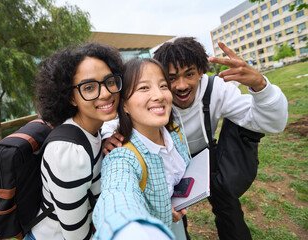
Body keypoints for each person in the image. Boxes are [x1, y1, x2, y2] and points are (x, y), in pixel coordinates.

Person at [102, 37, 288, 240]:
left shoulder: (216, 89)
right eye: (170, 79)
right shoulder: (157, 103)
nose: (181, 86)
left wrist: (261, 86)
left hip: (207, 154)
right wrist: (106, 137)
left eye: (189, 74)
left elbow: (272, 122)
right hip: (173, 162)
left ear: (201, 71)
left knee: (227, 205)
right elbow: (117, 192)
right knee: (177, 210)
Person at [26, 42, 123, 240]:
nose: (105, 93)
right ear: (71, 98)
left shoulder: (94, 131)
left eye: (110, 81)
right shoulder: (69, 153)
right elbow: (76, 236)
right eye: (89, 87)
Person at [92, 58, 191, 240]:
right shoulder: (122, 156)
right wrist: (127, 230)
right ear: (124, 104)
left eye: (163, 86)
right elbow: (116, 196)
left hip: (176, 225)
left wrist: (173, 203)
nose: (159, 95)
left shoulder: (173, 131)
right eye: (144, 88)